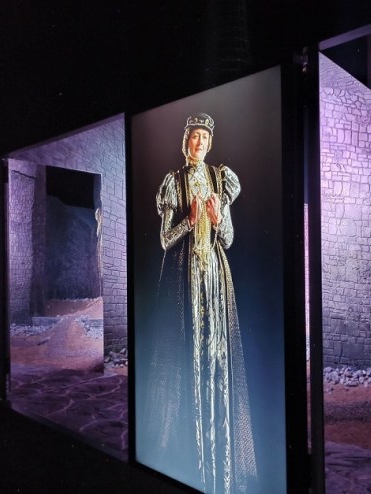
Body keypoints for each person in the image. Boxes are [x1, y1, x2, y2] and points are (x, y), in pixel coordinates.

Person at [147, 113, 257, 493]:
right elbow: (165, 239)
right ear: (186, 140)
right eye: (195, 136)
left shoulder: (220, 179)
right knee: (187, 352)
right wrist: (190, 221)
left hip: (215, 277)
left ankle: (220, 457)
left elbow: (228, 238)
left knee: (217, 355)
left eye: (205, 138)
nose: (200, 143)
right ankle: (187, 455)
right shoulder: (173, 182)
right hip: (184, 277)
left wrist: (216, 217)